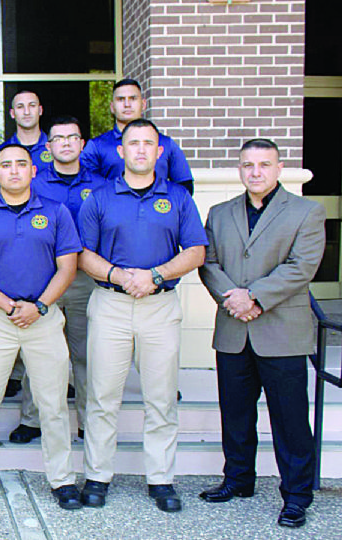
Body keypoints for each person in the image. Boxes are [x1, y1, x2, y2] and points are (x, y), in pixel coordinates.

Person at [78, 119, 207, 512]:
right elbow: (82, 254)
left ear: (159, 151)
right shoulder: (99, 197)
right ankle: (97, 475)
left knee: (161, 396)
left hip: (160, 305)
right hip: (111, 305)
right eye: (132, 143)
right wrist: (120, 275)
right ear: (121, 151)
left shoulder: (179, 198)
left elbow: (196, 251)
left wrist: (154, 276)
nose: (139, 150)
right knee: (102, 396)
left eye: (148, 144)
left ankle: (161, 478)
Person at [198, 139, 324, 528]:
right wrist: (232, 299)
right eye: (248, 165)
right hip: (234, 330)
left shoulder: (306, 211)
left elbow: (301, 267)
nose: (255, 172)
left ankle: (297, 495)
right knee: (235, 413)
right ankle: (238, 479)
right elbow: (208, 263)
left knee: (290, 420)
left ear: (278, 167)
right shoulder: (219, 213)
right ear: (239, 169)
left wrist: (252, 296)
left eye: (263, 164)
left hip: (282, 332)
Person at [0, 144, 82, 510]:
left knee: (53, 404)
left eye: (21, 164)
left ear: (33, 171)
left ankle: (62, 480)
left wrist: (39, 305)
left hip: (44, 318)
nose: (13, 171)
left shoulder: (56, 213)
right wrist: (9, 306)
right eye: (5, 165)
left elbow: (67, 267)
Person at [8, 115, 108, 445]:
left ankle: (86, 421)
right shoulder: (33, 183)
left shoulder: (100, 186)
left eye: (72, 137)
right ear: (47, 148)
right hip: (42, 278)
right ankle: (31, 418)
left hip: (83, 279)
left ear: (82, 144)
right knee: (36, 351)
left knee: (84, 353)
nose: (65, 143)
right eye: (58, 139)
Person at [81, 79, 193, 193]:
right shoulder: (96, 146)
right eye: (121, 99)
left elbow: (185, 186)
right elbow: (84, 186)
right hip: (113, 208)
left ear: (143, 104)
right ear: (112, 107)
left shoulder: (166, 144)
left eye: (133, 98)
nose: (127, 104)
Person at [0, 90, 54, 173]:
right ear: (12, 113)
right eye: (20, 107)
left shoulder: (55, 148)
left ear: (40, 110)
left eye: (32, 105)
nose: (26, 112)